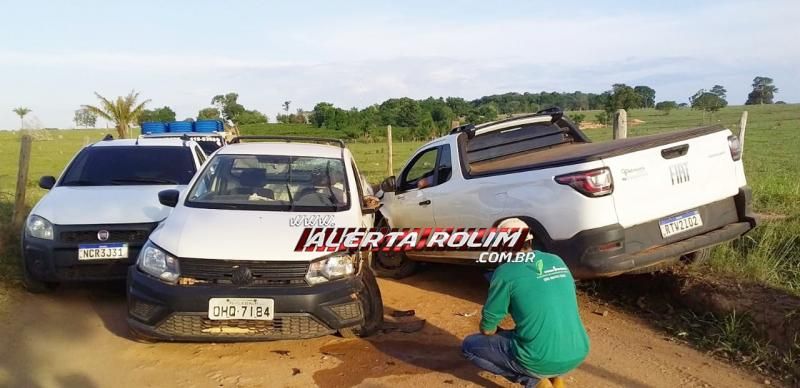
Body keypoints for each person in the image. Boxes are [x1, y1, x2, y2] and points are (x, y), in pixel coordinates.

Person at [462, 218, 590, 388]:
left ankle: (535, 382)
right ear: (530, 241)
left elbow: (488, 328)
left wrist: (494, 329)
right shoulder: (556, 260)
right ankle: (556, 379)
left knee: (469, 347)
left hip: (540, 358)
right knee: (531, 333)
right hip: (578, 351)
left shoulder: (505, 272)